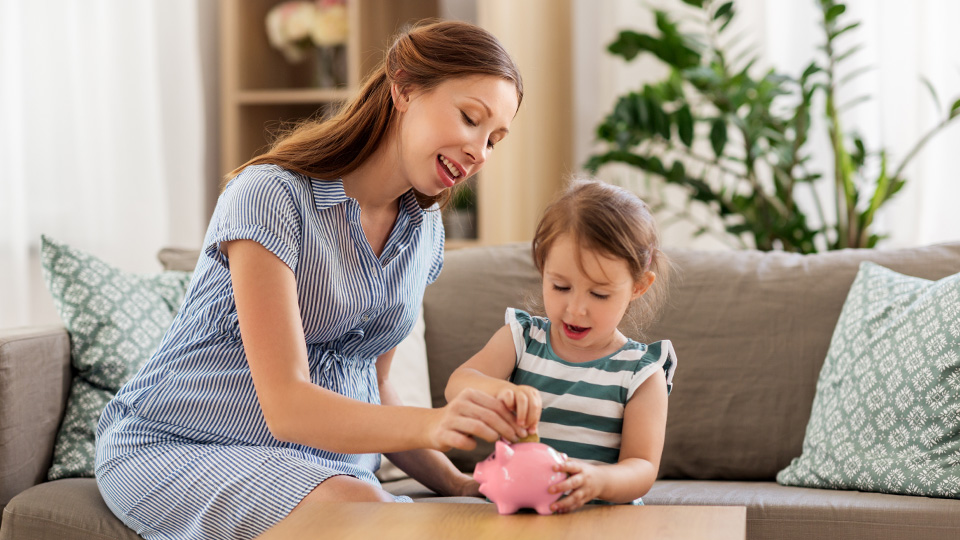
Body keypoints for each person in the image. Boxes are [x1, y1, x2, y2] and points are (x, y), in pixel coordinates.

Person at [95, 20, 525, 540]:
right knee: (359, 507)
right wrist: (436, 420)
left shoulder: (423, 231)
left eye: (494, 139)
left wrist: (456, 484)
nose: (480, 152)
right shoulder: (270, 196)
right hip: (180, 444)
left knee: (366, 503)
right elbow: (287, 405)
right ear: (404, 87)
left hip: (326, 471)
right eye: (470, 118)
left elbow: (377, 385)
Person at [446, 179, 677, 513]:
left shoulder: (641, 373)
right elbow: (457, 385)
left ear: (639, 286)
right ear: (542, 268)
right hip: (517, 516)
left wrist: (598, 480)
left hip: (598, 520)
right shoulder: (522, 339)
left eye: (599, 294)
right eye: (560, 286)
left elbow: (641, 467)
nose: (575, 309)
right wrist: (498, 391)